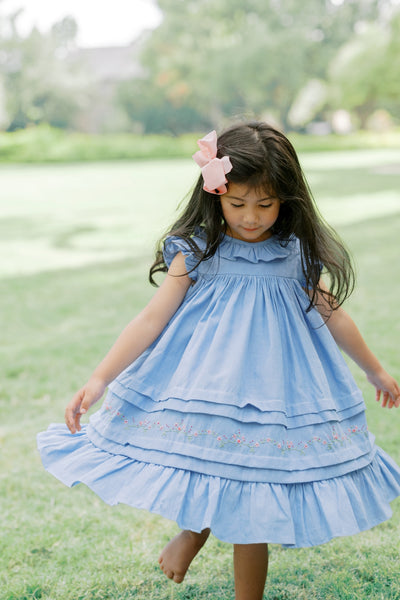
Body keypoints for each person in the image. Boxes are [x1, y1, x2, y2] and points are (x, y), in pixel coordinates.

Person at [37, 122, 400, 600]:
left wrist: (374, 368)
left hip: (275, 392)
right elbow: (151, 320)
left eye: (265, 205)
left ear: (286, 201)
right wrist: (100, 378)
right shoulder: (198, 251)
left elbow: (334, 316)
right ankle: (193, 532)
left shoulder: (293, 255)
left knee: (257, 494)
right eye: (237, 204)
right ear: (215, 196)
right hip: (208, 383)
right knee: (211, 464)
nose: (251, 218)